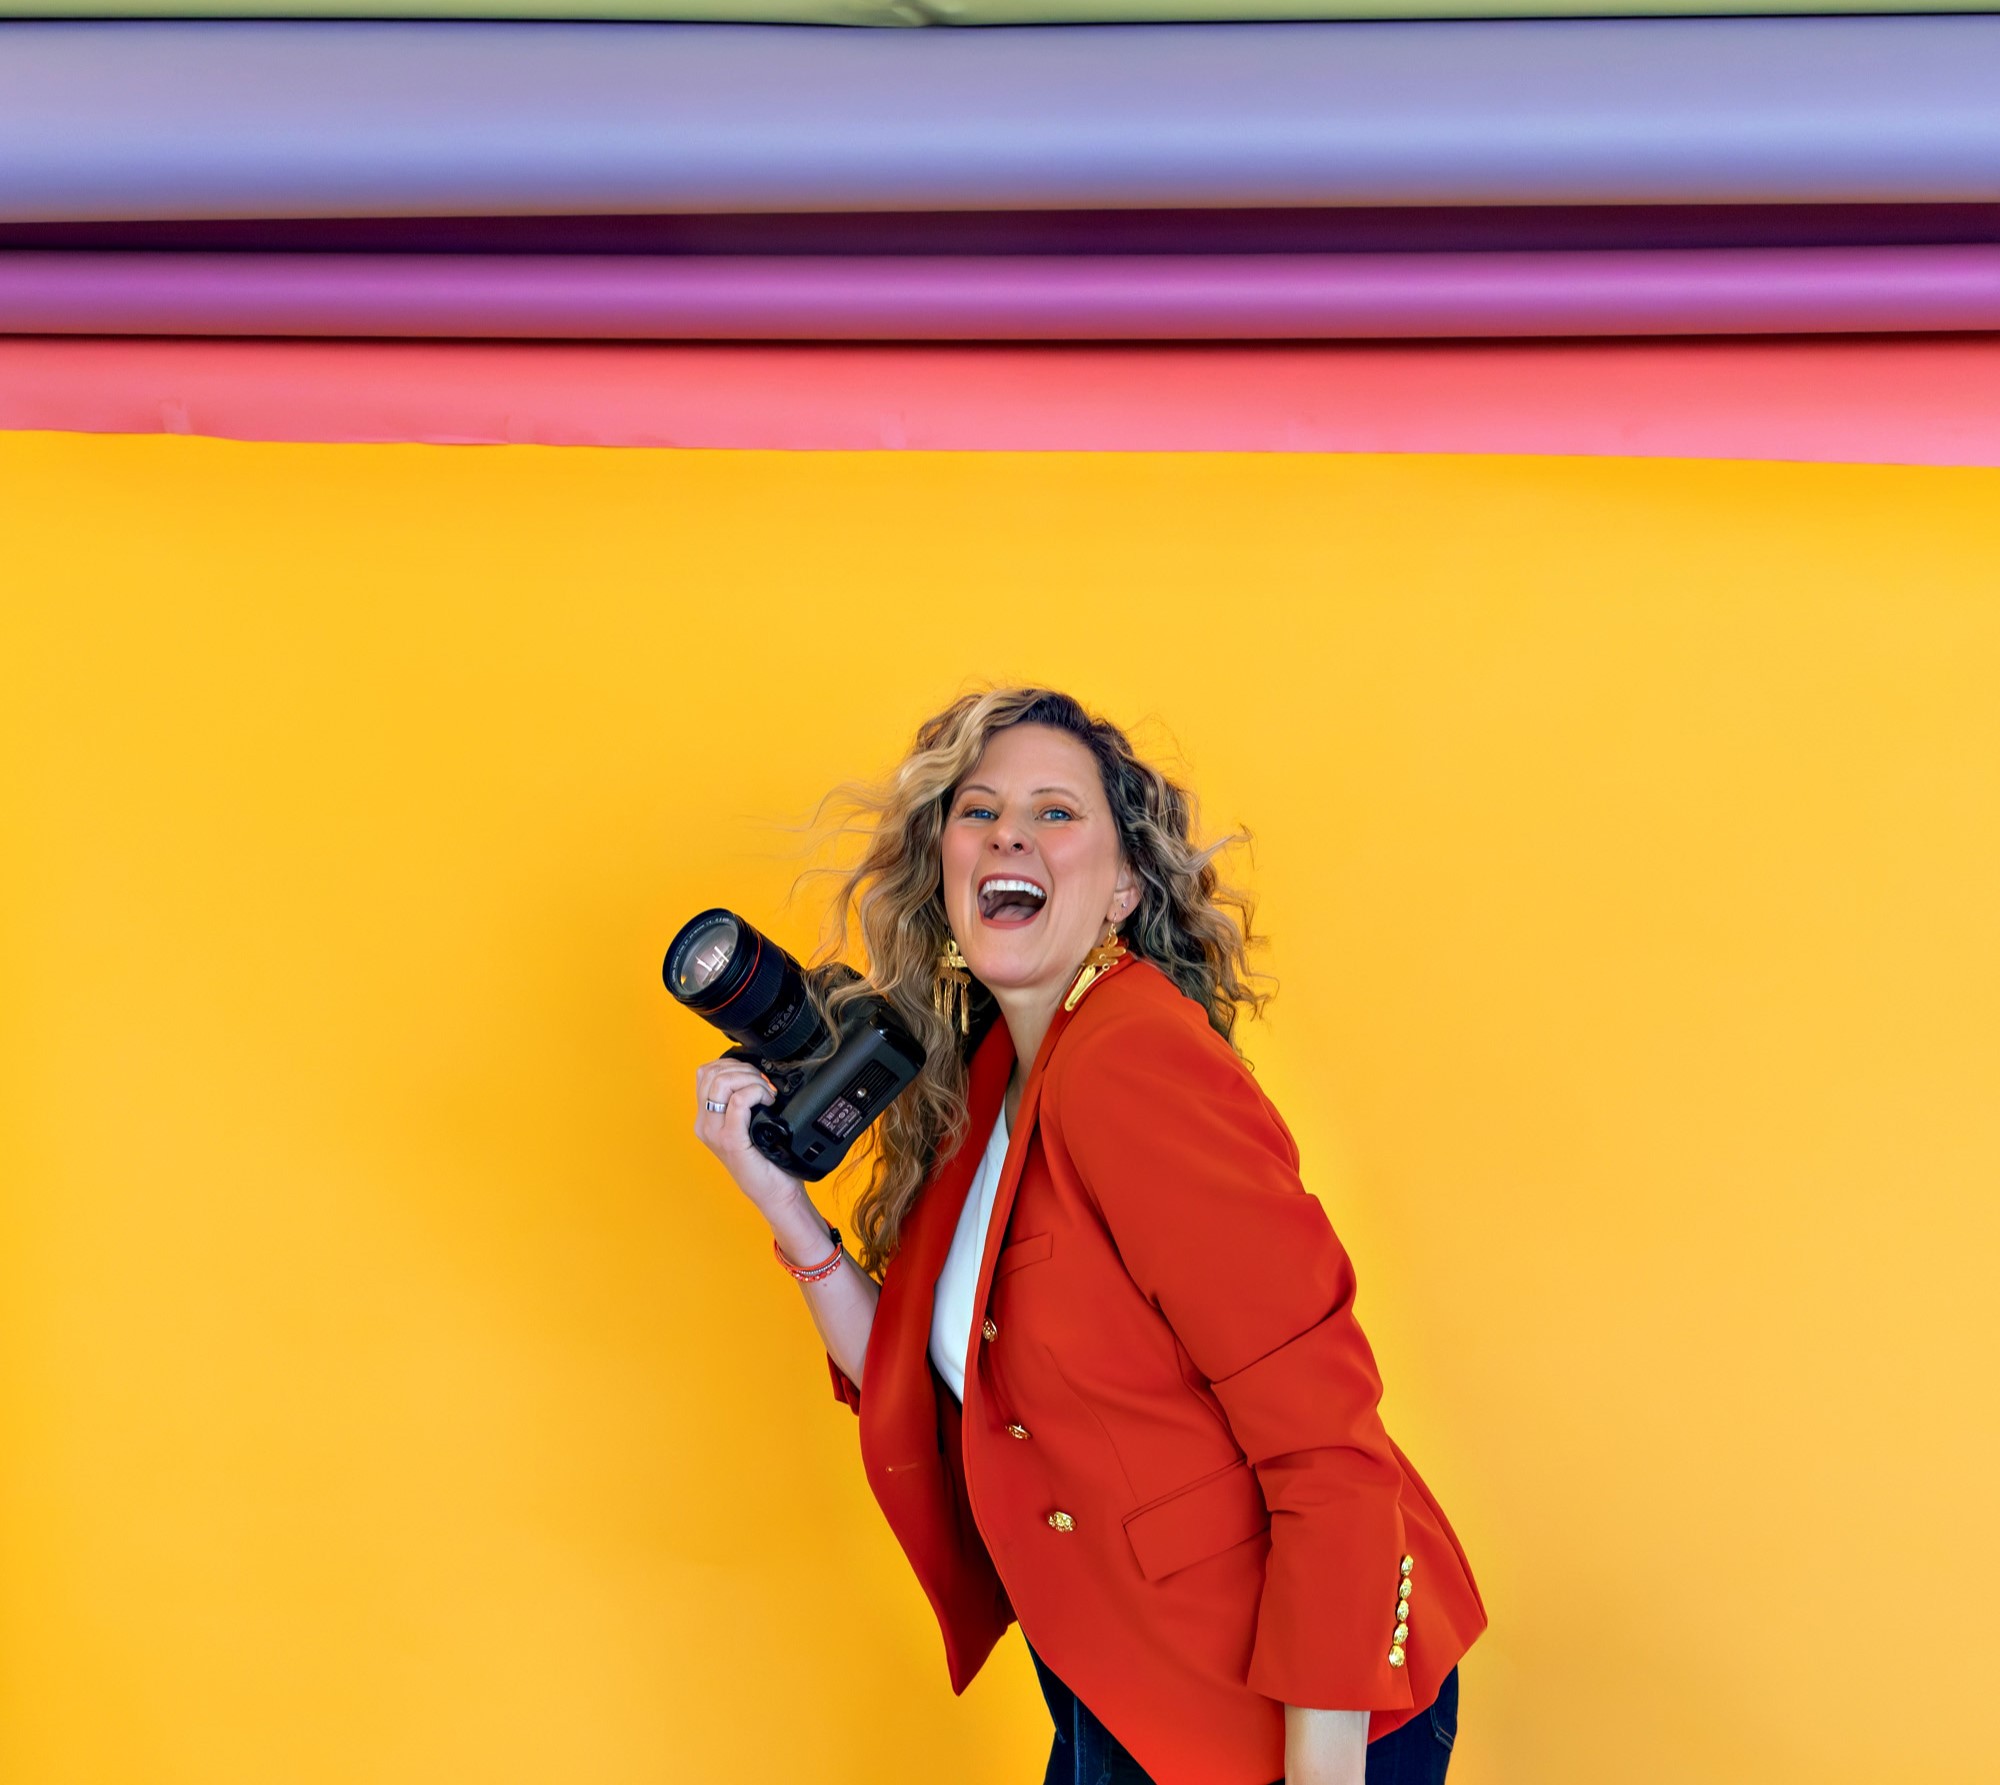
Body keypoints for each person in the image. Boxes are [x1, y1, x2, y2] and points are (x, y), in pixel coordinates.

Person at [694, 688, 1485, 1785]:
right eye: (978, 811)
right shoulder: (994, 1078)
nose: (1008, 832)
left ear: (1121, 889)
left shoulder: (1130, 1064)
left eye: (1054, 812)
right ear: (946, 875)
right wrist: (784, 1209)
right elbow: (923, 1382)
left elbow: (1327, 1449)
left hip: (1288, 1708)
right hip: (1121, 1688)